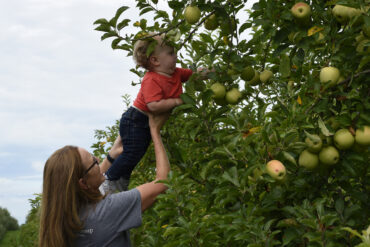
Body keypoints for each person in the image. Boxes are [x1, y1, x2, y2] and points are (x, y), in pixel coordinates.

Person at [39, 112, 170, 247]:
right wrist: (155, 131)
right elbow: (163, 181)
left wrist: (111, 156)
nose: (98, 159)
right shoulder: (109, 211)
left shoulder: (61, 222)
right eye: (94, 161)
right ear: (83, 184)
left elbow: (91, 180)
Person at [102, 32, 208, 193]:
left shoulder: (176, 73)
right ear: (155, 60)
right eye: (171, 53)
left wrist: (207, 72)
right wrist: (178, 101)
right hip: (135, 119)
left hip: (143, 121)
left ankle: (120, 178)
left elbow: (192, 76)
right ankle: (108, 180)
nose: (176, 56)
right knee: (132, 152)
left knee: (137, 153)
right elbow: (153, 106)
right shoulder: (151, 79)